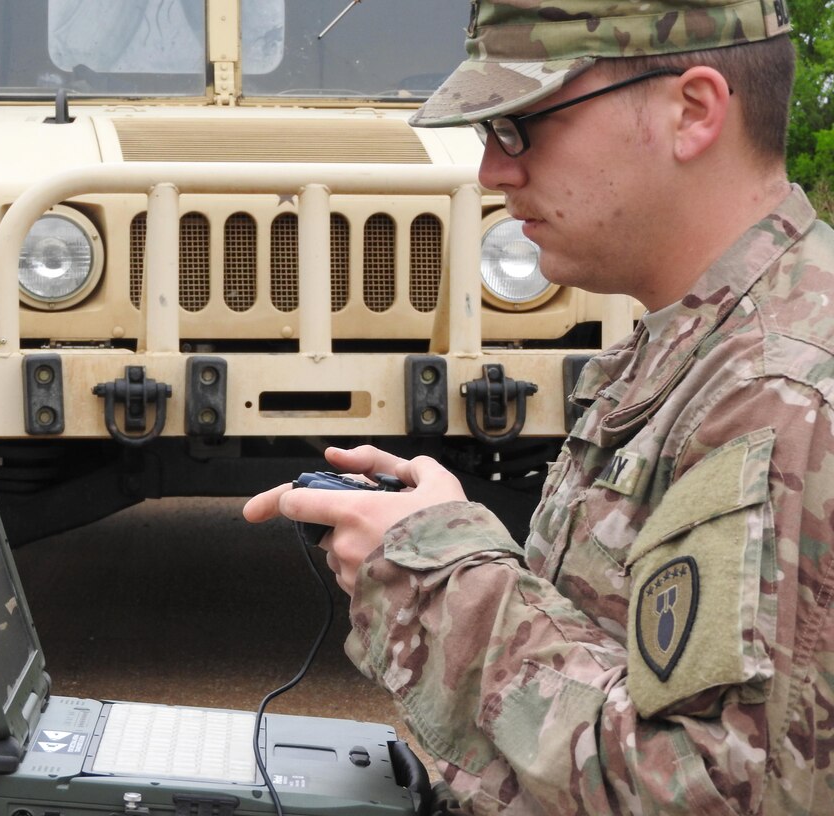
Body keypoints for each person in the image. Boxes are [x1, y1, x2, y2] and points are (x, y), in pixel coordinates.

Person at [243, 0, 834, 813]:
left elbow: (710, 791)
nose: (492, 171)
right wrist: (444, 530)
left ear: (691, 112)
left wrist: (441, 580)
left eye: (520, 125)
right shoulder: (703, 344)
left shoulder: (783, 395)